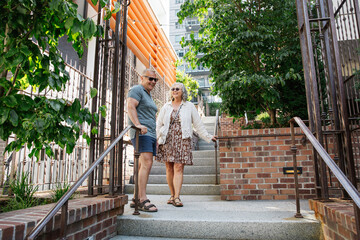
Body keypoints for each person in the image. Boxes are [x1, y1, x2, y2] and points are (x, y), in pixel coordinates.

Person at [156, 82, 216, 207]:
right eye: (173, 89)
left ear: (183, 91)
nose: (175, 91)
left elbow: (198, 125)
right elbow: (159, 124)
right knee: (169, 167)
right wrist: (156, 139)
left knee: (179, 167)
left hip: (183, 139)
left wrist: (208, 137)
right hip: (167, 139)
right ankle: (172, 195)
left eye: (177, 89)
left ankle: (177, 197)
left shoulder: (189, 106)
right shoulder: (166, 106)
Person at [127, 69, 158, 212]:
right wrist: (138, 124)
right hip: (141, 132)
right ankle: (142, 199)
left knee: (142, 166)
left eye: (155, 80)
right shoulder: (137, 89)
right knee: (147, 163)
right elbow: (131, 106)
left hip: (150, 134)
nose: (152, 81)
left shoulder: (148, 95)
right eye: (150, 78)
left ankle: (135, 197)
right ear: (142, 78)